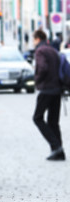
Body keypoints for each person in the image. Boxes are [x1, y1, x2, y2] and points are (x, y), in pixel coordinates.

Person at [32, 29, 65, 161]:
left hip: (46, 89)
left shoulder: (40, 51)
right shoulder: (52, 50)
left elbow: (43, 67)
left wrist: (37, 80)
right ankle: (59, 152)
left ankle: (56, 146)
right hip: (57, 89)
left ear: (37, 39)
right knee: (53, 122)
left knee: (37, 118)